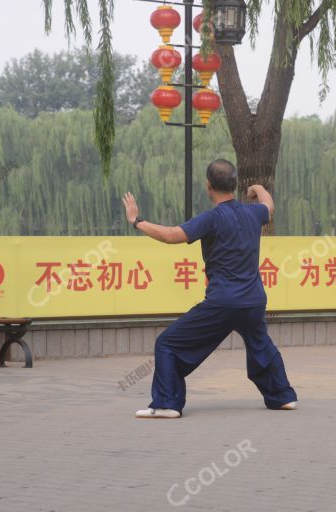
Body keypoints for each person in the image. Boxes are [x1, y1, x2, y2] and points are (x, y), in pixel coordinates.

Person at [122, 159, 298, 418]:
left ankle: (166, 404)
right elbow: (268, 206)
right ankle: (282, 396)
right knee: (261, 346)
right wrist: (259, 188)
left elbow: (172, 235)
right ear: (234, 184)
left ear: (208, 186)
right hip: (253, 300)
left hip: (223, 302)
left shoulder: (212, 219)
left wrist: (137, 221)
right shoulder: (253, 214)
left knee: (167, 344)